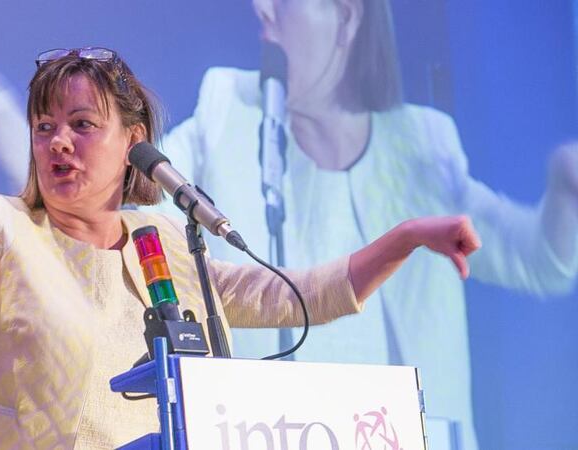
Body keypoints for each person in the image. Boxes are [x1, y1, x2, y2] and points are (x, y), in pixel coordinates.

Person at [0, 47, 480, 449]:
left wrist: (404, 238)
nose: (58, 142)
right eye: (44, 127)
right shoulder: (3, 224)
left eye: (82, 125)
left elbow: (292, 297)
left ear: (133, 142)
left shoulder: (162, 239)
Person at [158, 1, 578, 449]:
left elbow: (539, 262)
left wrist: (566, 187)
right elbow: (139, 204)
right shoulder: (228, 109)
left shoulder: (421, 144)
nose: (262, 8)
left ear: (347, 15)